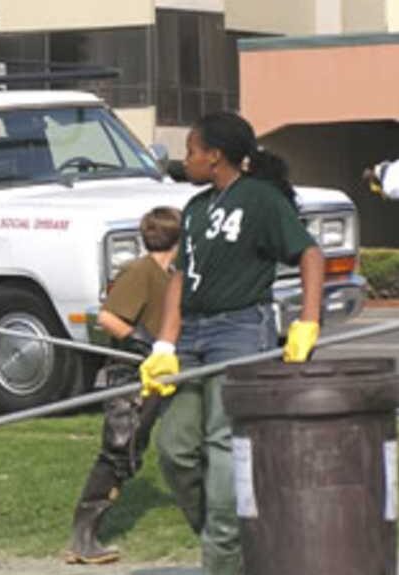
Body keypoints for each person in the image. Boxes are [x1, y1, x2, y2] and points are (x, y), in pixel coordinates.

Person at [140, 112, 324, 575]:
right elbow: (181, 278)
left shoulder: (261, 200)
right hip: (192, 337)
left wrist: (308, 321)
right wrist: (164, 345)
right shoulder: (198, 208)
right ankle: (235, 547)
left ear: (214, 155)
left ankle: (225, 561)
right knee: (175, 448)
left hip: (241, 330)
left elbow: (310, 253)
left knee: (226, 447)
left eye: (190, 151)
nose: (187, 160)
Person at [65, 207, 181, 565]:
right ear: (178, 239)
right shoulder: (140, 271)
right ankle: (82, 538)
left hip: (160, 373)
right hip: (130, 375)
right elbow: (108, 318)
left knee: (147, 450)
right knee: (120, 450)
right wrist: (142, 342)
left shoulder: (172, 275)